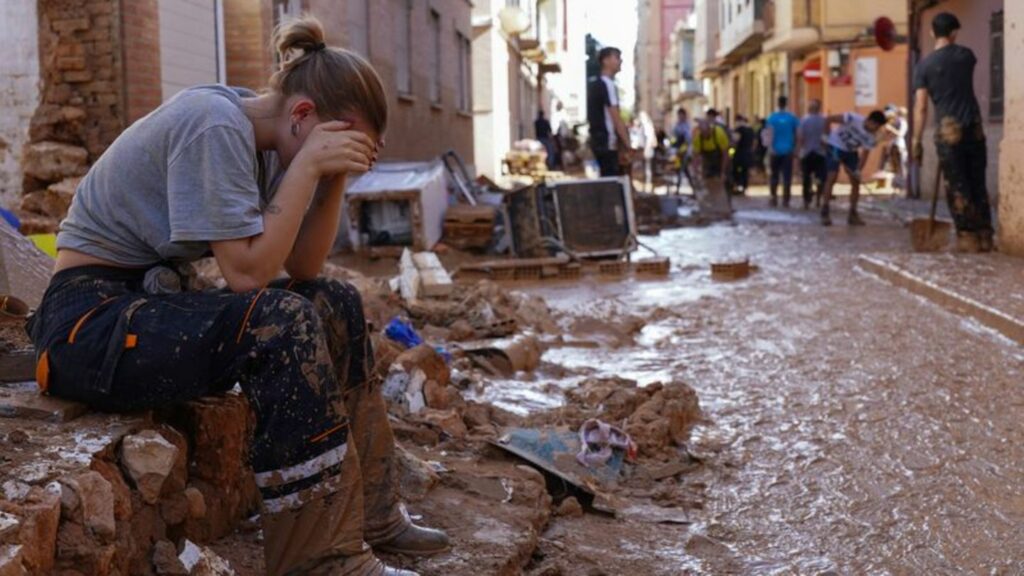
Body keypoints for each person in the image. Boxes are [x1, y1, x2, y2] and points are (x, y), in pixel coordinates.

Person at [26, 16, 446, 576]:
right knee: (281, 321)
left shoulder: (272, 139)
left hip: (146, 302)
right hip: (89, 323)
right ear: (302, 115)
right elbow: (246, 273)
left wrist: (331, 176)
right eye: (338, 138)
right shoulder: (215, 125)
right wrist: (311, 166)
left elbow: (303, 264)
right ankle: (321, 561)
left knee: (333, 302)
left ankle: (374, 515)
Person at [911, 12, 994, 252]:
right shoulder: (967, 56)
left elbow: (921, 106)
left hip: (948, 131)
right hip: (974, 128)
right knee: (977, 183)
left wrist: (917, 141)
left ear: (931, 33)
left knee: (957, 185)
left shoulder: (924, 66)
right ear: (954, 32)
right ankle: (985, 235)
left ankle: (967, 238)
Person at [819, 110, 887, 226]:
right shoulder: (852, 118)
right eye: (876, 126)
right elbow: (829, 119)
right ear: (870, 121)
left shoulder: (871, 137)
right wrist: (825, 136)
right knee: (832, 176)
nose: (876, 129)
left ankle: (853, 214)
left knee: (856, 182)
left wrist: (858, 170)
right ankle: (825, 211)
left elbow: (865, 154)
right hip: (835, 146)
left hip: (851, 152)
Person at [587, 46, 634, 177]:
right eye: (617, 58)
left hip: (598, 140)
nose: (620, 61)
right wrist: (627, 143)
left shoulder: (596, 84)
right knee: (612, 181)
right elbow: (615, 116)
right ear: (606, 61)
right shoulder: (607, 84)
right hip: (606, 141)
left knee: (607, 180)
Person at [690, 110, 732, 217]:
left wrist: (723, 172)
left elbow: (725, 154)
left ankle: (727, 207)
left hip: (721, 159)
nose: (705, 135)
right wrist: (695, 172)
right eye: (703, 133)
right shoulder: (698, 138)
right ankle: (710, 208)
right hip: (708, 161)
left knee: (725, 183)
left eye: (706, 133)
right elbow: (696, 157)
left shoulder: (719, 133)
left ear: (709, 129)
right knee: (707, 182)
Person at [765, 96, 800, 207]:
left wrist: (770, 148)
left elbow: (768, 135)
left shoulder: (771, 118)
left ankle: (773, 197)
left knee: (774, 175)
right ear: (786, 103)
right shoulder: (792, 118)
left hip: (774, 151)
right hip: (788, 151)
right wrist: (796, 148)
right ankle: (786, 199)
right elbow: (797, 134)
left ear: (778, 103)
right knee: (787, 176)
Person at [797, 99, 828, 210]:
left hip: (807, 153)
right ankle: (819, 200)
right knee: (821, 178)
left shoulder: (804, 121)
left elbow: (800, 138)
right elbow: (827, 136)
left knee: (806, 177)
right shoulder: (824, 120)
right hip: (820, 153)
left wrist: (799, 152)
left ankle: (806, 201)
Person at [881, 104, 908, 190]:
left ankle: (903, 186)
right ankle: (897, 186)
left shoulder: (902, 122)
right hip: (893, 146)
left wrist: (890, 129)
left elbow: (900, 134)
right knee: (895, 168)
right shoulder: (894, 122)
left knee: (901, 167)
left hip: (899, 146)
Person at [731, 115, 756, 195]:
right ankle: (744, 186)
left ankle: (738, 185)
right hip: (748, 153)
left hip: (739, 153)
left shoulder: (739, 129)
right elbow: (754, 142)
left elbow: (735, 142)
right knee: (745, 171)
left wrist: (731, 152)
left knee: (736, 170)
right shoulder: (750, 129)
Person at [672, 107, 693, 194]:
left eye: (681, 115)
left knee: (686, 171)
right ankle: (678, 189)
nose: (680, 117)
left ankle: (693, 189)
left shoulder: (687, 126)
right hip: (678, 152)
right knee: (679, 170)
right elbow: (673, 138)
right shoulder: (677, 125)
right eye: (679, 115)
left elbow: (688, 140)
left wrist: (684, 151)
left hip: (685, 153)